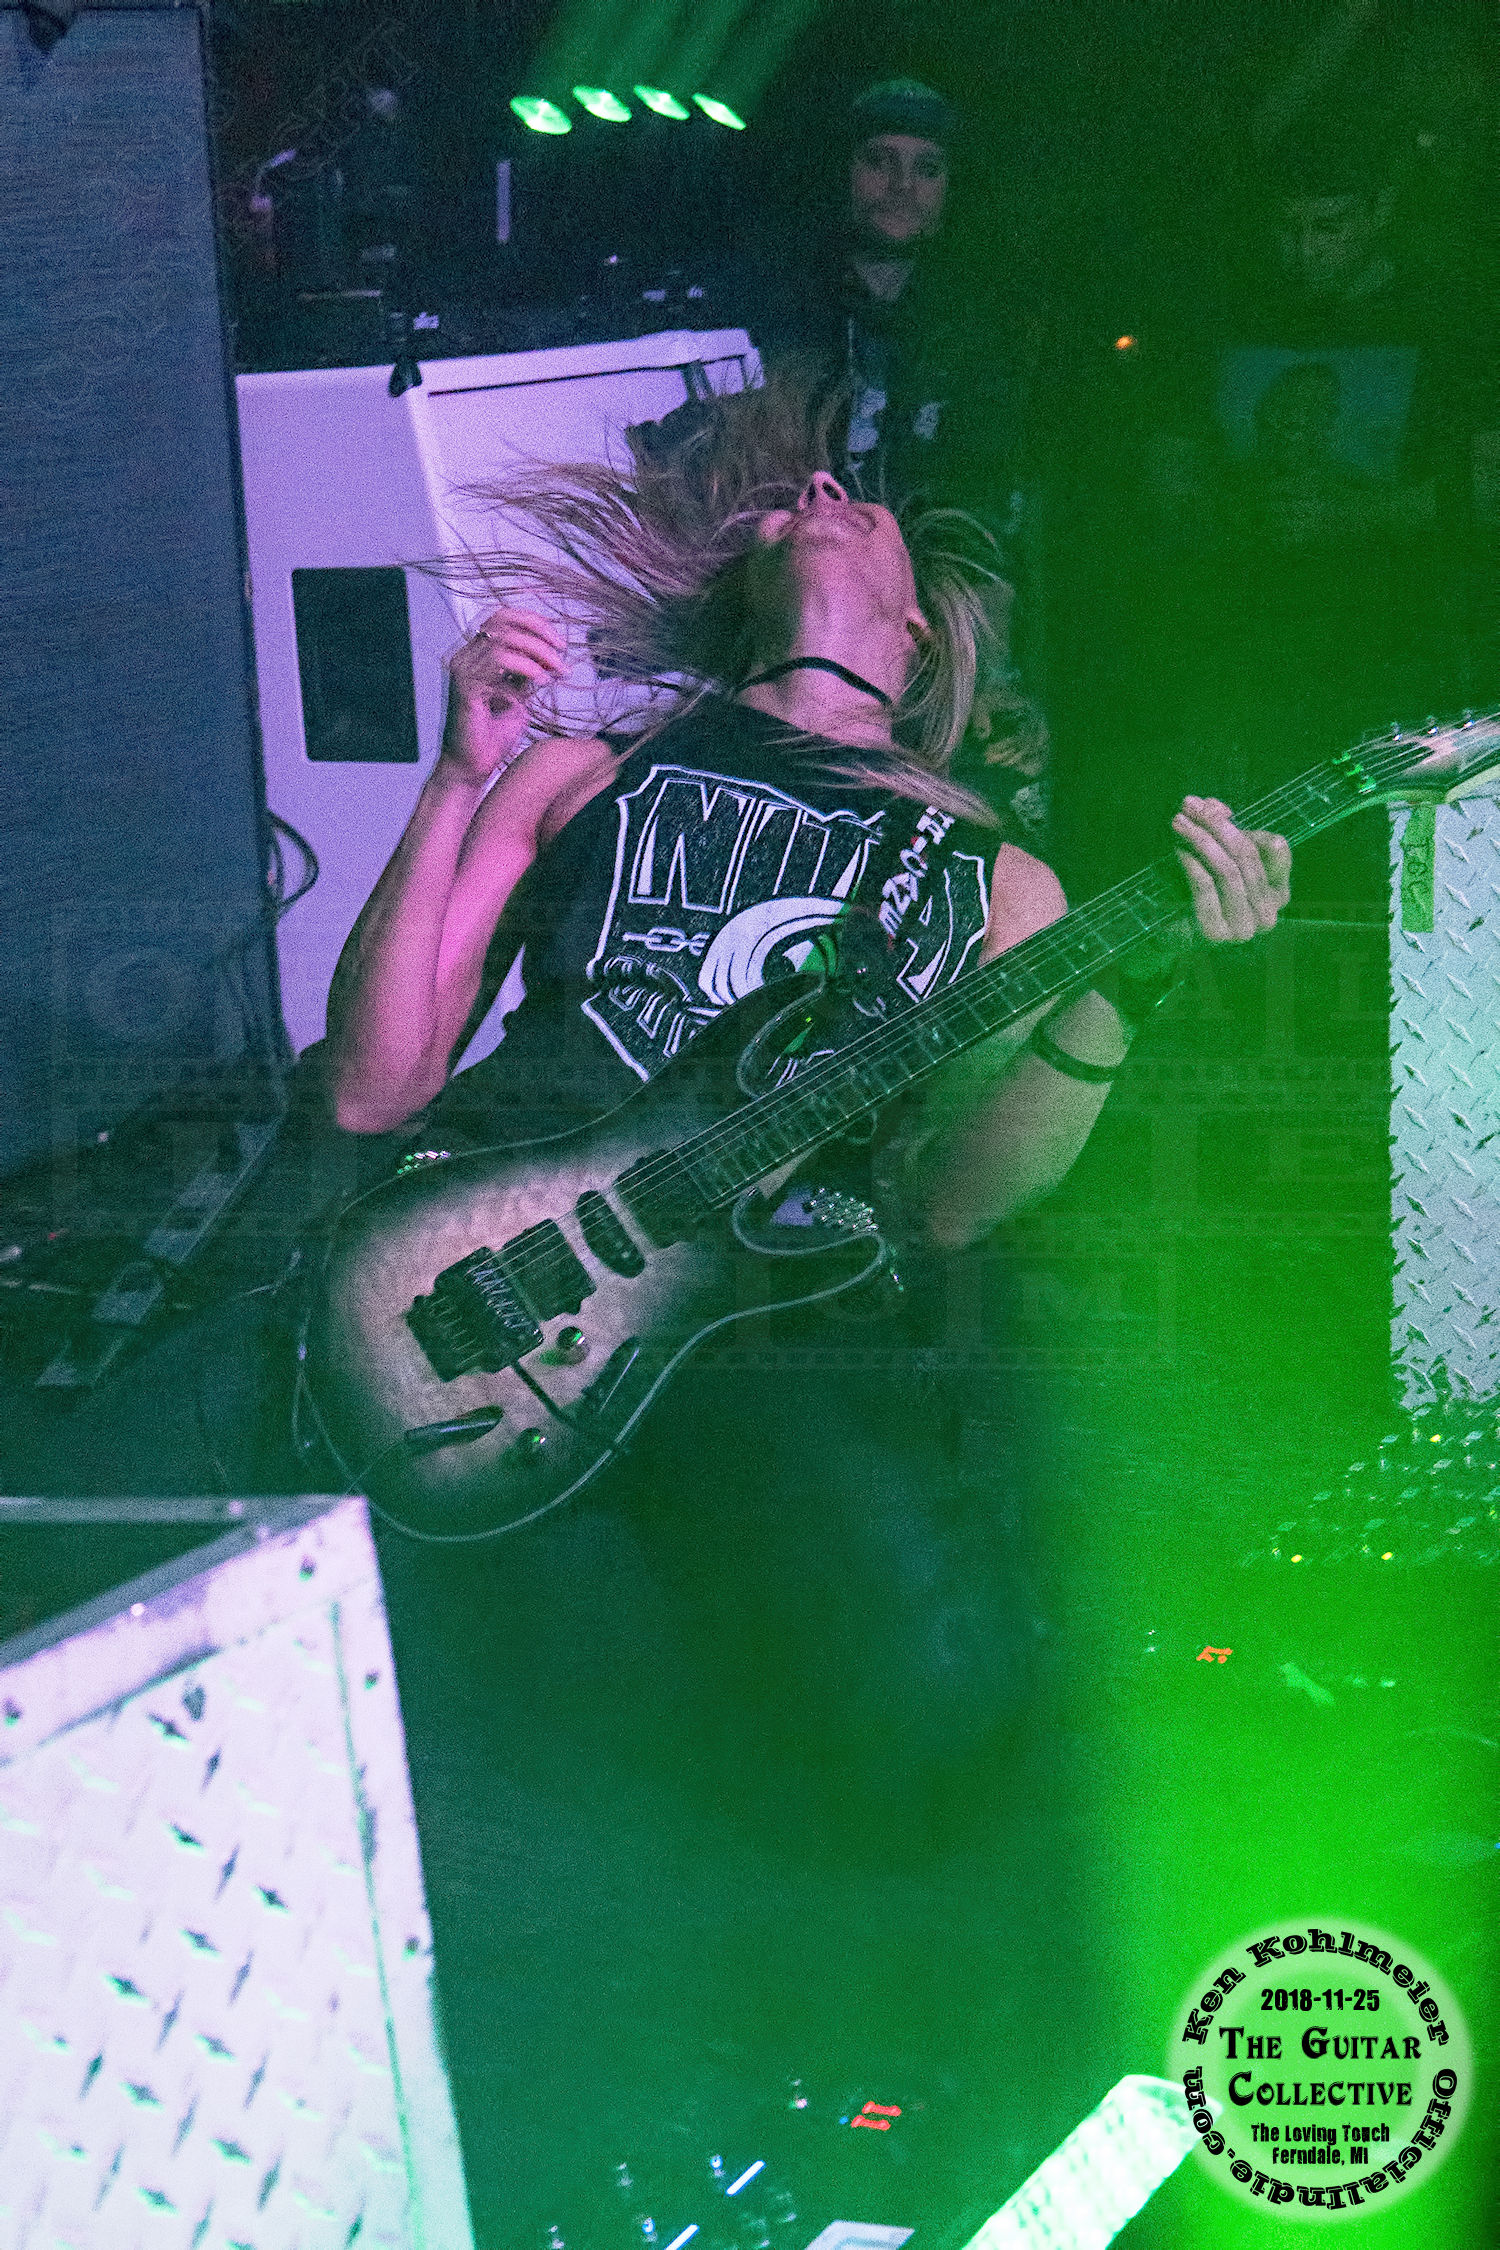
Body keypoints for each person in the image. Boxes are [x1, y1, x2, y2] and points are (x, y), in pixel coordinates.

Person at [322, 376, 1292, 1813]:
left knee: (941, 1718)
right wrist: (460, 776)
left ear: (919, 632)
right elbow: (371, 1085)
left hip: (746, 1330)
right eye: (793, 494)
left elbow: (951, 1202)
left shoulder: (996, 881)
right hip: (462, 1268)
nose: (822, 491)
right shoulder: (590, 768)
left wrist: (1127, 990)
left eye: (857, 496)